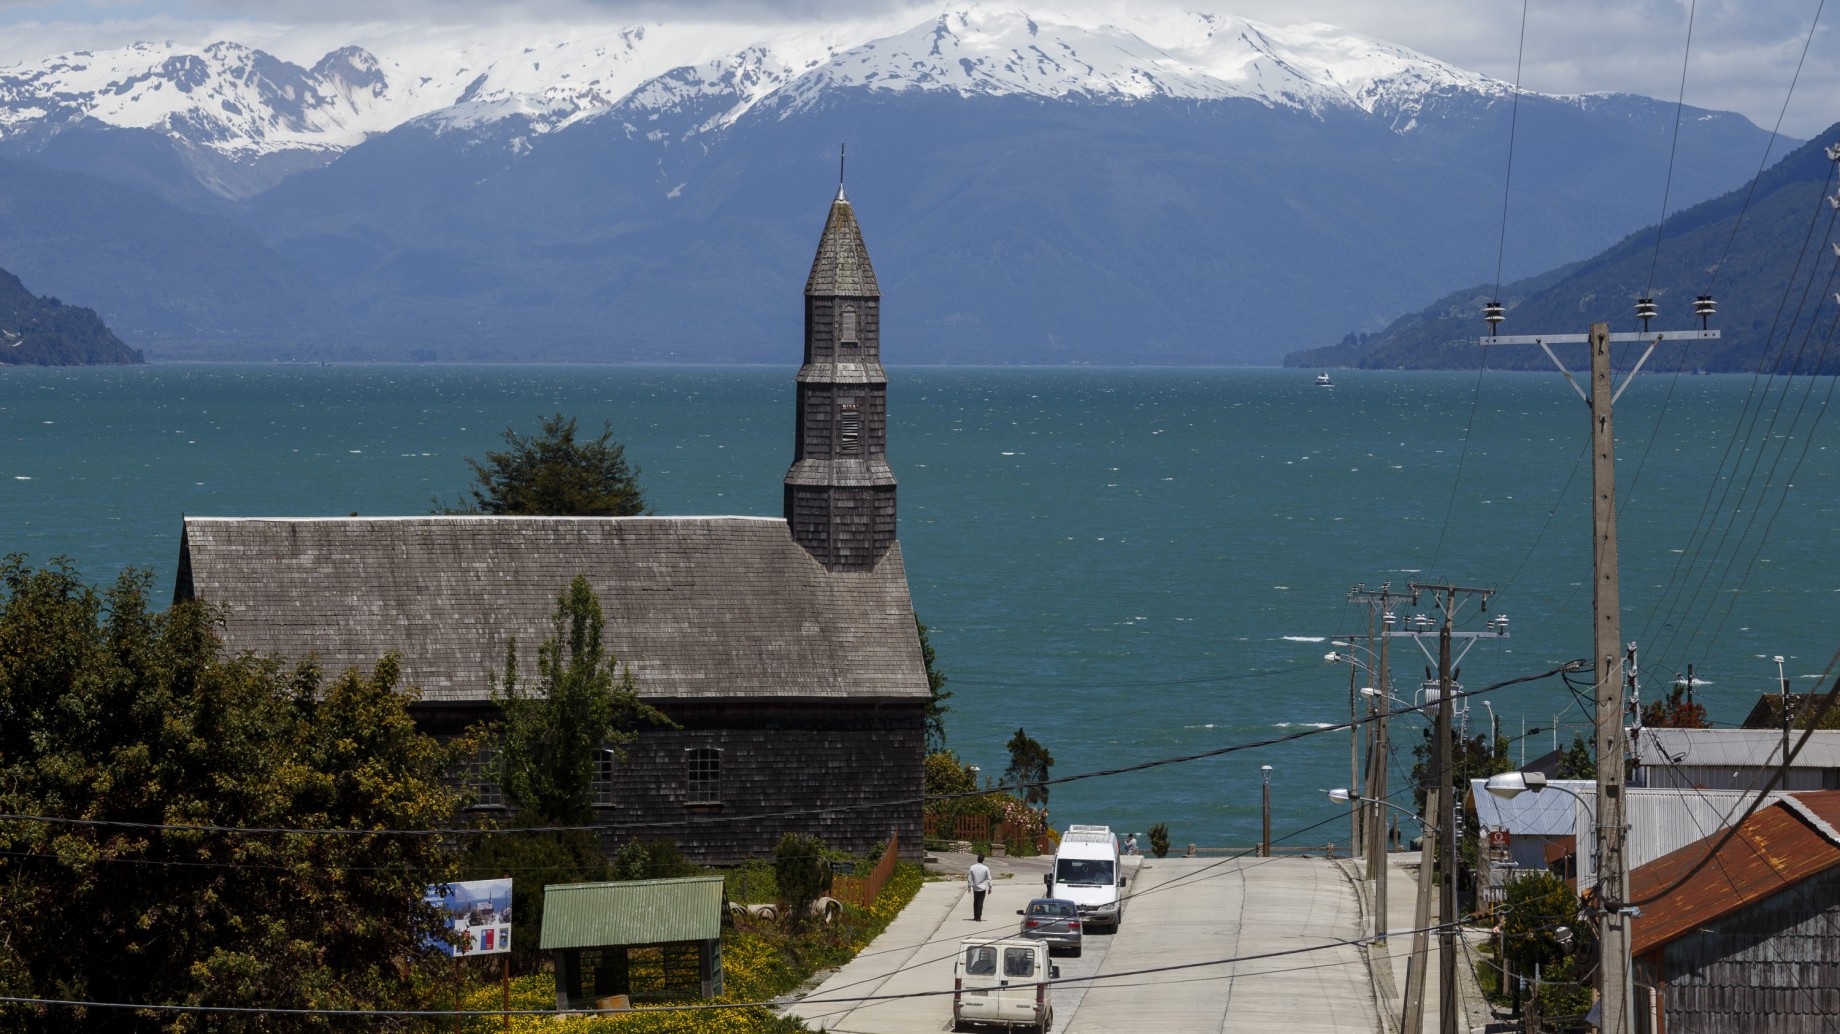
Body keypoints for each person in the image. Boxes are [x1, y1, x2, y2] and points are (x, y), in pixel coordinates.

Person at [967, 854, 993, 921]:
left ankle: (975, 915)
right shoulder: (985, 868)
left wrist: (969, 887)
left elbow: (970, 878)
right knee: (980, 902)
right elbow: (989, 878)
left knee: (975, 901)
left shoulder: (972, 867)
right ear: (983, 860)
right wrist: (990, 888)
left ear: (977, 859)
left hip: (975, 887)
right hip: (982, 888)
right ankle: (978, 916)